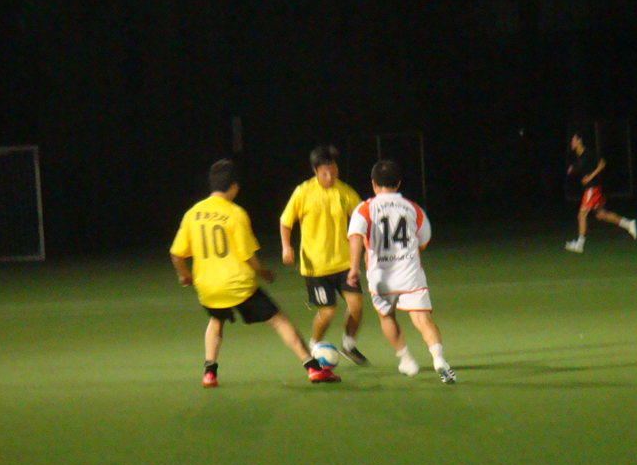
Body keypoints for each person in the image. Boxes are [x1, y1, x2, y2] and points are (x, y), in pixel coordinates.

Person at [170, 159, 341, 387]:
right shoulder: (235, 213)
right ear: (234, 186)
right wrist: (263, 272)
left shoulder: (193, 213)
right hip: (238, 285)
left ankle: (209, 373)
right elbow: (247, 255)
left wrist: (184, 275)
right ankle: (313, 368)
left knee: (216, 320)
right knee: (278, 320)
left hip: (208, 287)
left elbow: (176, 255)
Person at [347, 160, 456, 384]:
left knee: (386, 316)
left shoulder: (365, 208)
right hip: (410, 274)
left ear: (373, 184)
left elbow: (356, 236)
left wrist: (354, 267)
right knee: (422, 319)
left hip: (381, 277)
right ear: (398, 183)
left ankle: (406, 359)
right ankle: (438, 358)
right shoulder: (413, 208)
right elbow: (423, 241)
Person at [279, 145, 370, 365]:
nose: (330, 176)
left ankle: (348, 345)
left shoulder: (345, 192)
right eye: (325, 172)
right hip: (316, 267)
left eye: (333, 170)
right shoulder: (303, 192)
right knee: (328, 312)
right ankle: (315, 345)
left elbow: (362, 220)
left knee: (356, 305)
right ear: (315, 171)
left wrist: (368, 245)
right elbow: (285, 222)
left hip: (343, 263)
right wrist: (286, 247)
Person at [565, 132, 637, 253]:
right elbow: (582, 167)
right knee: (601, 215)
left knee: (582, 214)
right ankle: (628, 224)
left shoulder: (588, 153)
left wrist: (590, 177)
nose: (571, 143)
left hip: (592, 189)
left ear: (579, 141)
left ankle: (579, 244)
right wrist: (573, 169)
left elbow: (602, 164)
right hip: (591, 189)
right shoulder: (579, 157)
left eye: (573, 140)